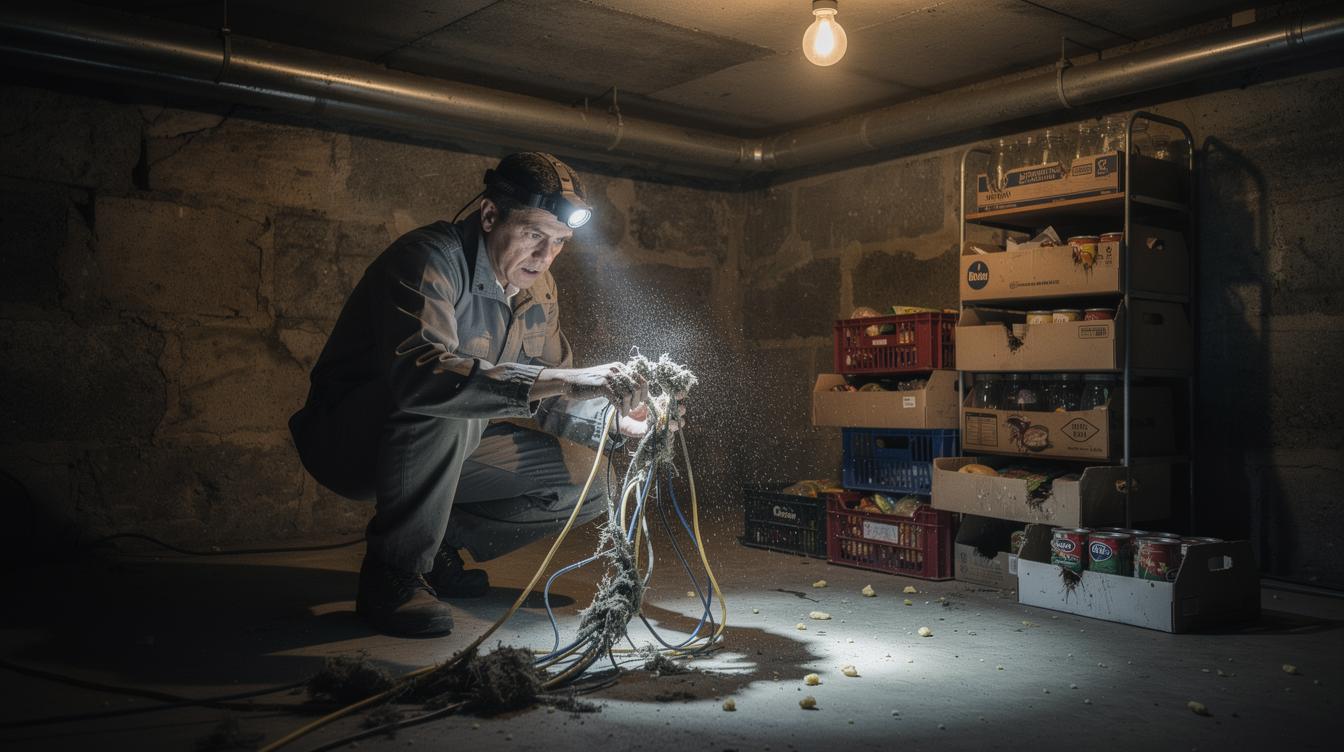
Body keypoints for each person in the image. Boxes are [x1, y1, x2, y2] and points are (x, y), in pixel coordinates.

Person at [289, 152, 675, 637]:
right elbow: (423, 377)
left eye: (559, 242)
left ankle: (435, 547)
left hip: (448, 441)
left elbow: (552, 388)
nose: (545, 256)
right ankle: (393, 573)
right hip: (349, 440)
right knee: (453, 405)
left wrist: (619, 419)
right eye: (534, 235)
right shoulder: (428, 258)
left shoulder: (539, 287)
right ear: (490, 216)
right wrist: (568, 379)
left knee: (591, 478)